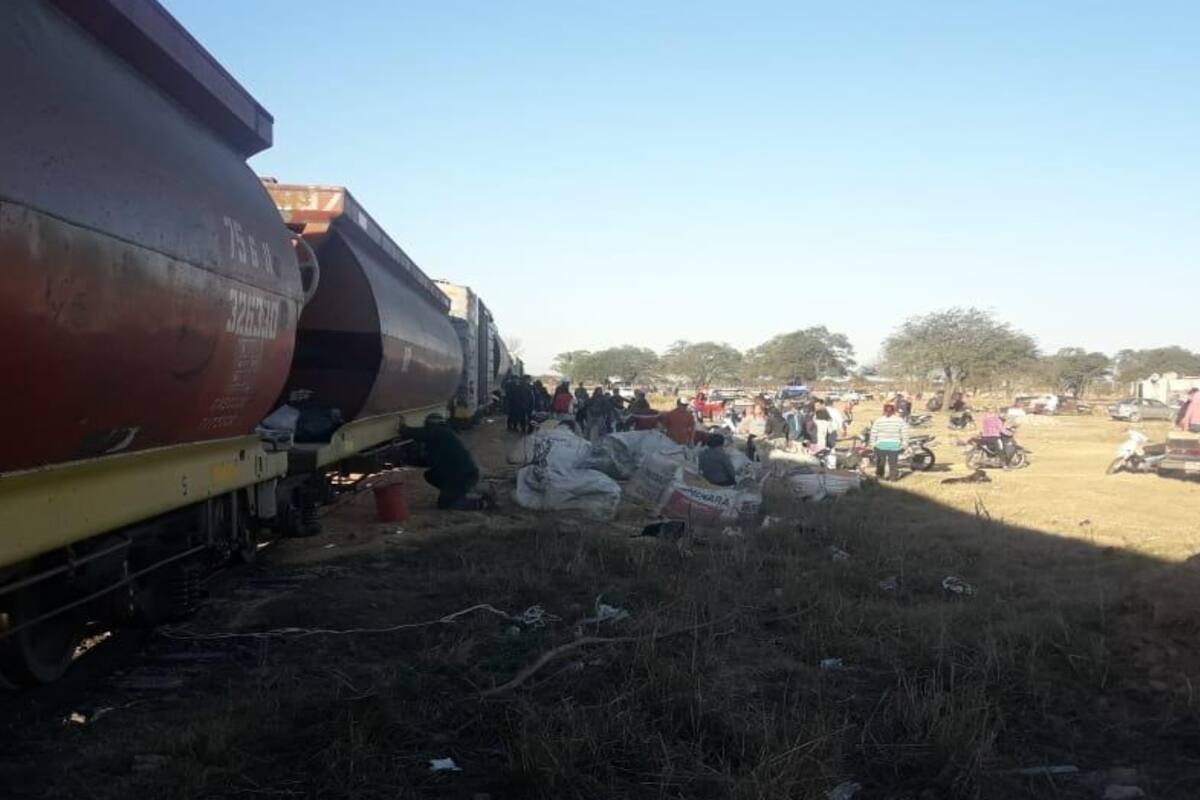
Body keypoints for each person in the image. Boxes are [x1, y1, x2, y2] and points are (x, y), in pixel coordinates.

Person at [403, 415, 494, 510]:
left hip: (463, 475)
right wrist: (406, 460)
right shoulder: (442, 440)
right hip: (460, 474)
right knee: (430, 475)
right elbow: (428, 462)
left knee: (446, 504)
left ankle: (482, 503)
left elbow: (423, 434)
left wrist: (404, 429)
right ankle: (459, 493)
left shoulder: (443, 432)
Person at [869, 403, 909, 481]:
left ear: (884, 411)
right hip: (894, 446)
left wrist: (873, 444)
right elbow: (905, 433)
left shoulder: (879, 420)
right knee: (893, 463)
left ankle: (879, 477)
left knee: (880, 463)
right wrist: (905, 444)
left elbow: (873, 433)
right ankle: (893, 478)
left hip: (880, 446)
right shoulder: (899, 420)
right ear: (894, 411)